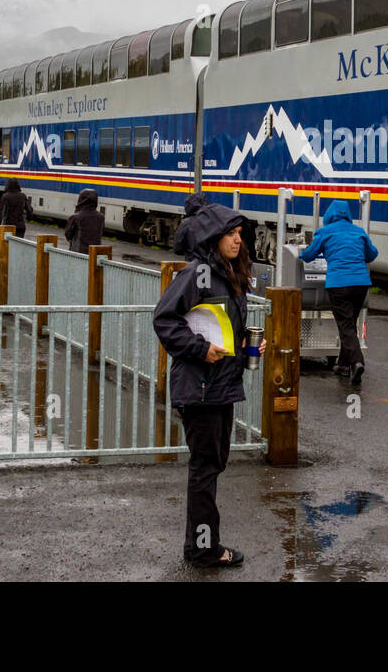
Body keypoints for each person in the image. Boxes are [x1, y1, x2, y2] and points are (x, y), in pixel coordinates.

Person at [153, 202, 264, 568]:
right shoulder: (198, 273)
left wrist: (249, 342)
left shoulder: (228, 273)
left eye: (238, 234)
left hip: (220, 386)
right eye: (230, 234)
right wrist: (201, 349)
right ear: (212, 238)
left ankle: (202, 545)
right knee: (204, 469)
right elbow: (165, 320)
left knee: (211, 466)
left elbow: (218, 323)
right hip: (201, 388)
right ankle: (203, 549)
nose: (238, 240)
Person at [300, 200, 377, 385]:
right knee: (350, 323)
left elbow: (309, 255)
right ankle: (343, 365)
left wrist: (303, 253)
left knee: (345, 326)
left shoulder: (324, 232)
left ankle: (357, 362)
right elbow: (372, 254)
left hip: (339, 284)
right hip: (360, 284)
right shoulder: (358, 231)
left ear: (329, 215)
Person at [64, 188, 104, 253]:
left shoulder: (75, 217)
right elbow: (101, 232)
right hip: (94, 253)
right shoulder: (101, 217)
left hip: (78, 254)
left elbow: (68, 235)